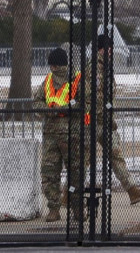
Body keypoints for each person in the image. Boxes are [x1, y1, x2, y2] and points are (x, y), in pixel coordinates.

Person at [85, 33, 140, 205]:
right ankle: (66, 194)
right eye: (108, 47)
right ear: (101, 49)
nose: (111, 51)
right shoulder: (93, 68)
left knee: (116, 156)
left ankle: (133, 191)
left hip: (105, 122)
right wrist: (103, 117)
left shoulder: (105, 68)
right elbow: (94, 97)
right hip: (92, 123)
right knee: (82, 160)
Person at [34, 47, 85, 222]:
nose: (52, 69)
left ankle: (77, 209)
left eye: (54, 65)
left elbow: (82, 103)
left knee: (75, 172)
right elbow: (37, 101)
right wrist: (48, 110)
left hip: (70, 133)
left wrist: (61, 110)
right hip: (50, 134)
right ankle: (54, 209)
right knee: (49, 173)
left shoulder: (76, 79)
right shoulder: (48, 80)